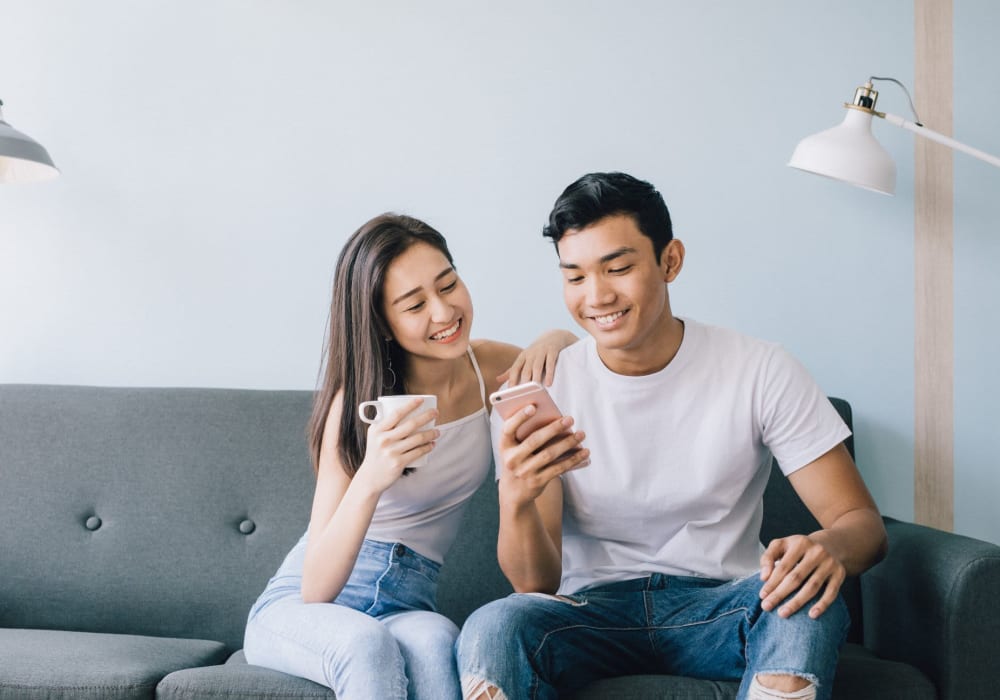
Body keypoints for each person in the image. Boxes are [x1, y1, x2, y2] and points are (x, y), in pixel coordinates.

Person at [456, 172, 888, 700]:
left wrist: (824, 549)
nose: (597, 296)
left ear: (670, 261)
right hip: (589, 614)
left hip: (725, 604)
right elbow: (534, 586)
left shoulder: (760, 369)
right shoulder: (545, 388)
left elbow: (862, 526)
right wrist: (518, 497)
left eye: (617, 267)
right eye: (574, 277)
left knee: (806, 602)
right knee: (494, 626)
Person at [243, 213, 575, 699]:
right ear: (382, 322)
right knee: (366, 645)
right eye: (415, 304)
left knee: (440, 642)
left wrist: (553, 338)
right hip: (303, 606)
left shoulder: (492, 368)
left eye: (448, 284)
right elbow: (316, 589)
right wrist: (373, 475)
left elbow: (569, 351)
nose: (443, 313)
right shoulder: (356, 403)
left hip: (408, 600)